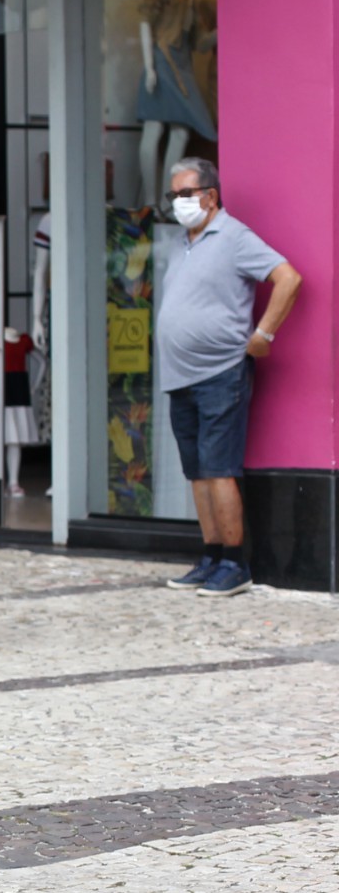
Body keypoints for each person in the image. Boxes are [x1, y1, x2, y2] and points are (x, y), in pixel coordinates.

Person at [156, 158, 301, 597]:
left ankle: (235, 564)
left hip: (220, 373)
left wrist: (264, 334)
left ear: (210, 196)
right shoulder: (184, 243)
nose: (178, 202)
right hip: (179, 375)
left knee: (218, 468)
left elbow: (288, 278)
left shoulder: (233, 236)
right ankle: (211, 555)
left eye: (185, 194)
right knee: (197, 471)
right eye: (173, 195)